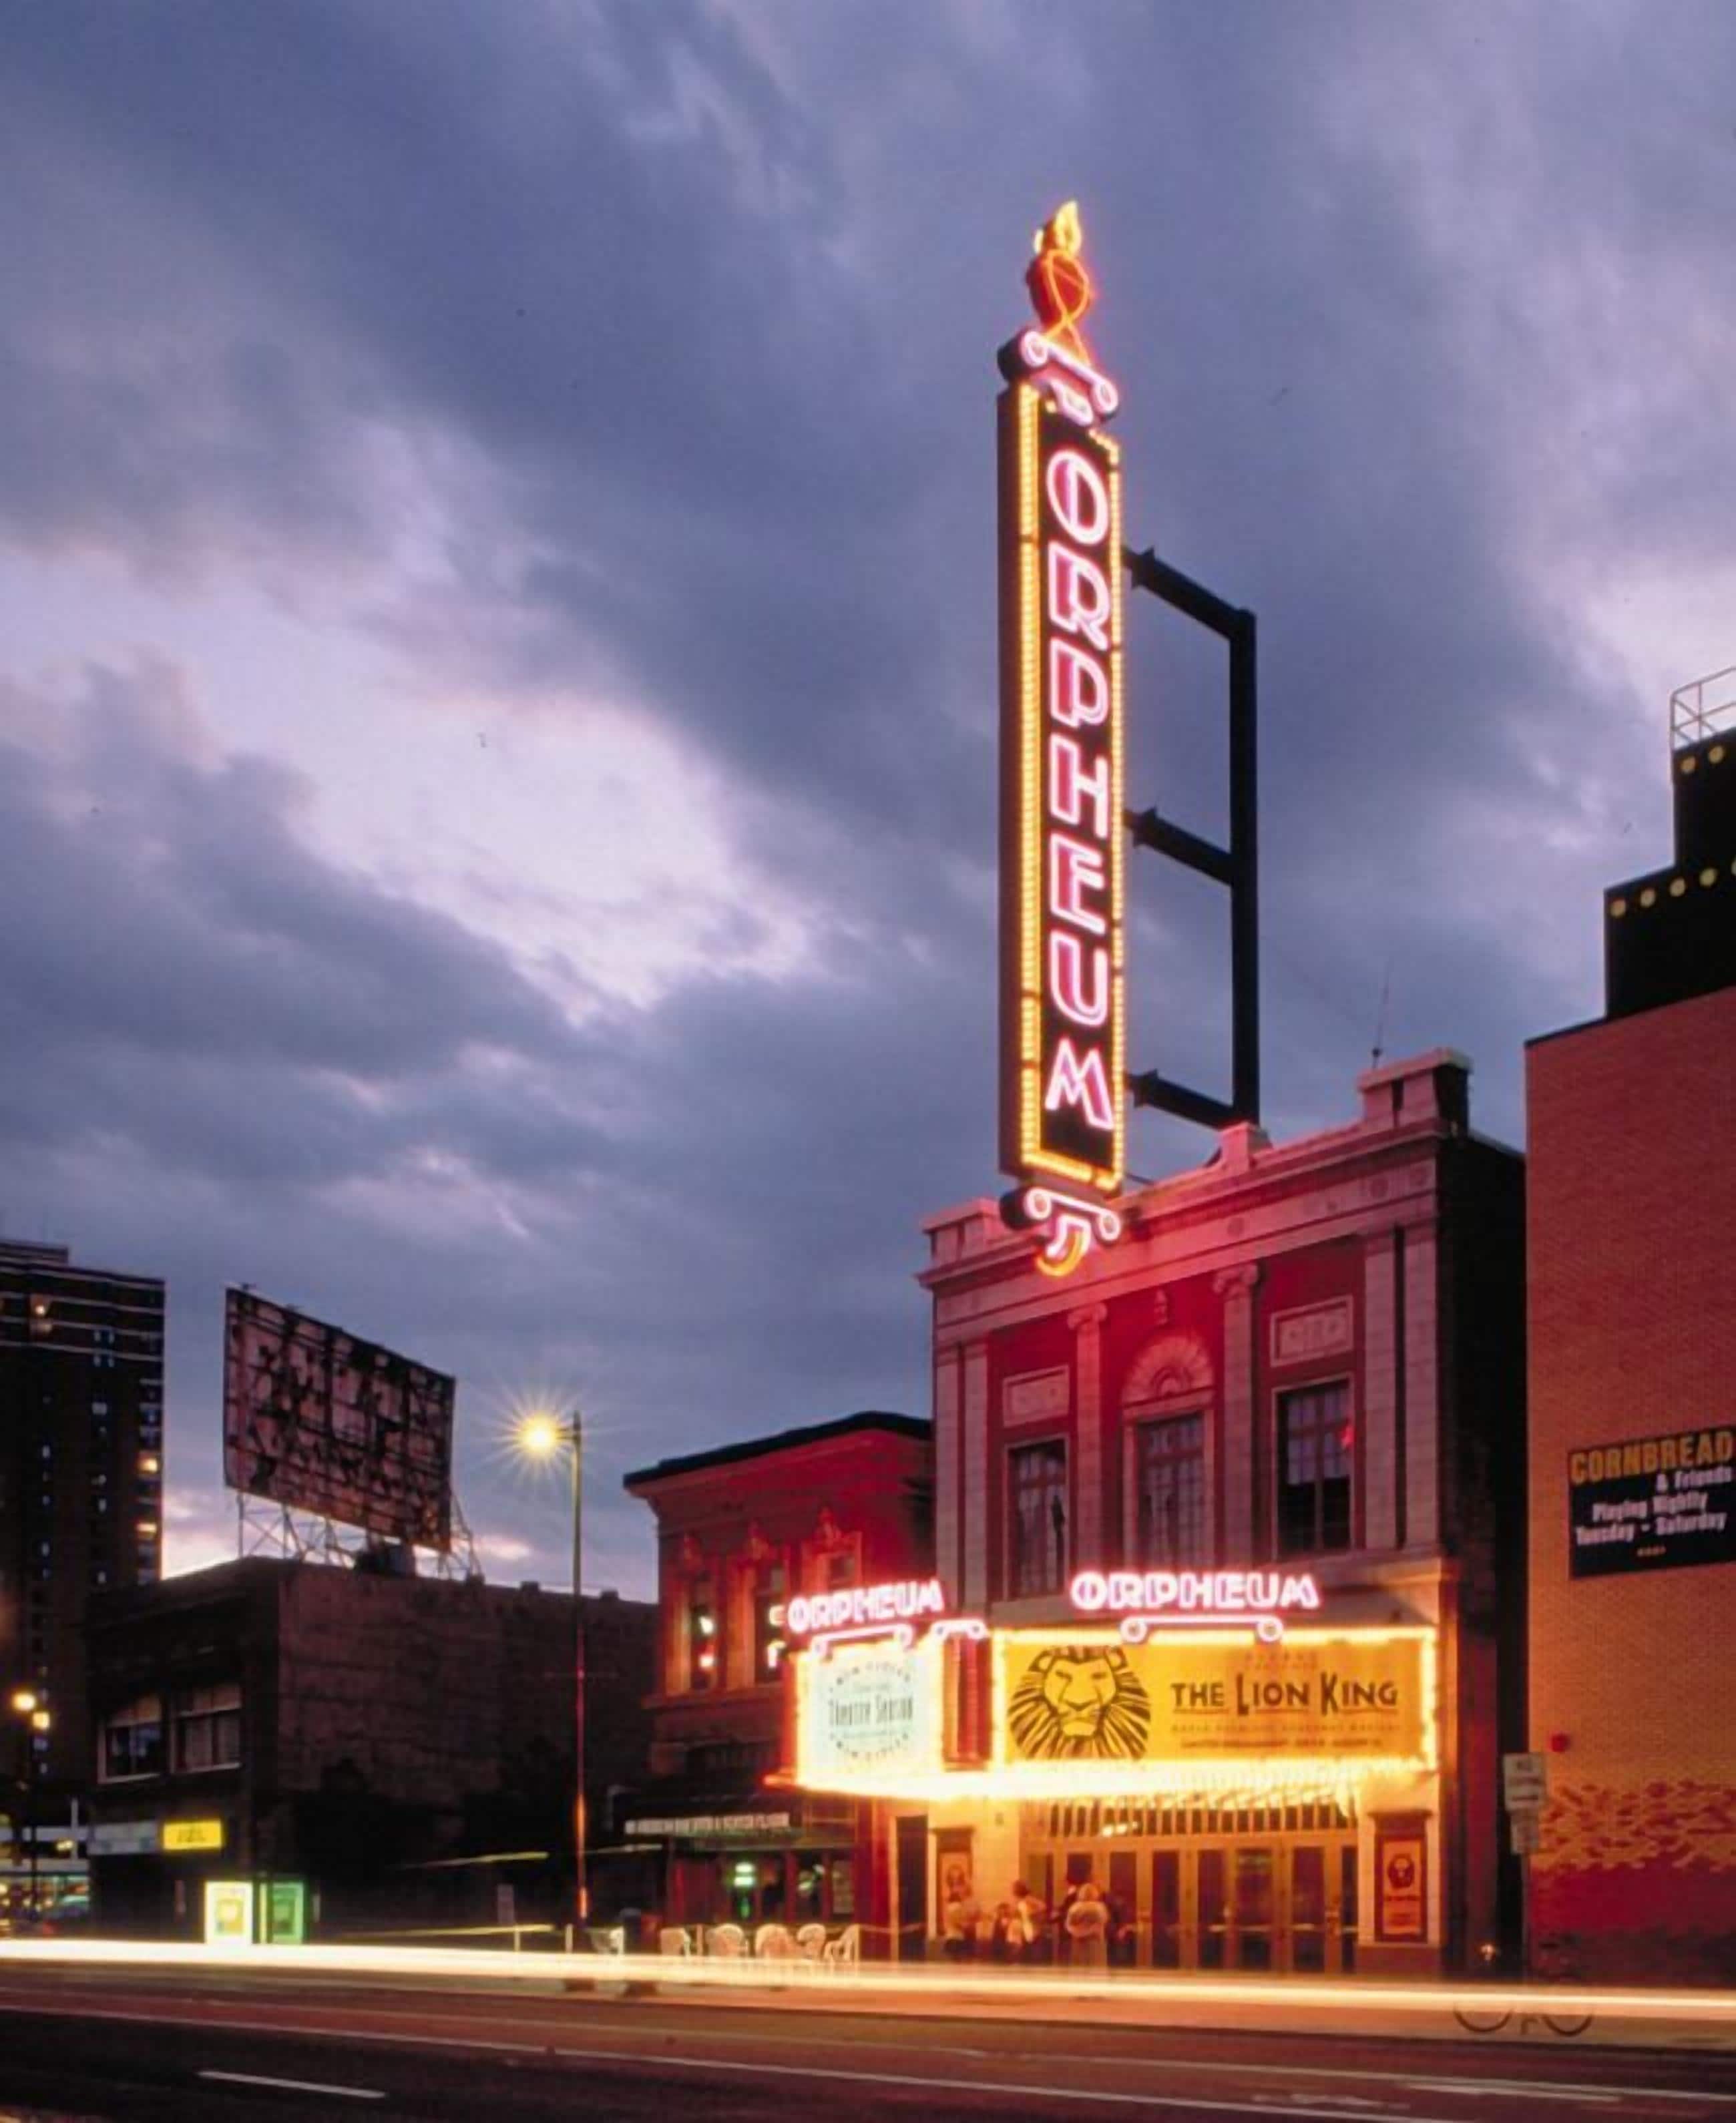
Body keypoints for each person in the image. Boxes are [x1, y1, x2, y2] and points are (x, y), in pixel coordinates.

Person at [1063, 1877, 1109, 1970]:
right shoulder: (1100, 1908)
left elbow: (1068, 1925)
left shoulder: (1074, 1908)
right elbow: (1103, 1922)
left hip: (1078, 1941)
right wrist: (1091, 1930)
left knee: (1079, 1968)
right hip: (1095, 1941)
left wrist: (1078, 1932)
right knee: (1096, 1968)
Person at [941, 1861, 981, 1961]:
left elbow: (974, 1908)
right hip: (957, 1932)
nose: (955, 1880)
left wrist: (971, 1915)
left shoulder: (966, 1889)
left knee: (967, 1958)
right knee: (957, 1959)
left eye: (958, 1877)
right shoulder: (948, 1894)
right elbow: (951, 1914)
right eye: (953, 1877)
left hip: (967, 1930)